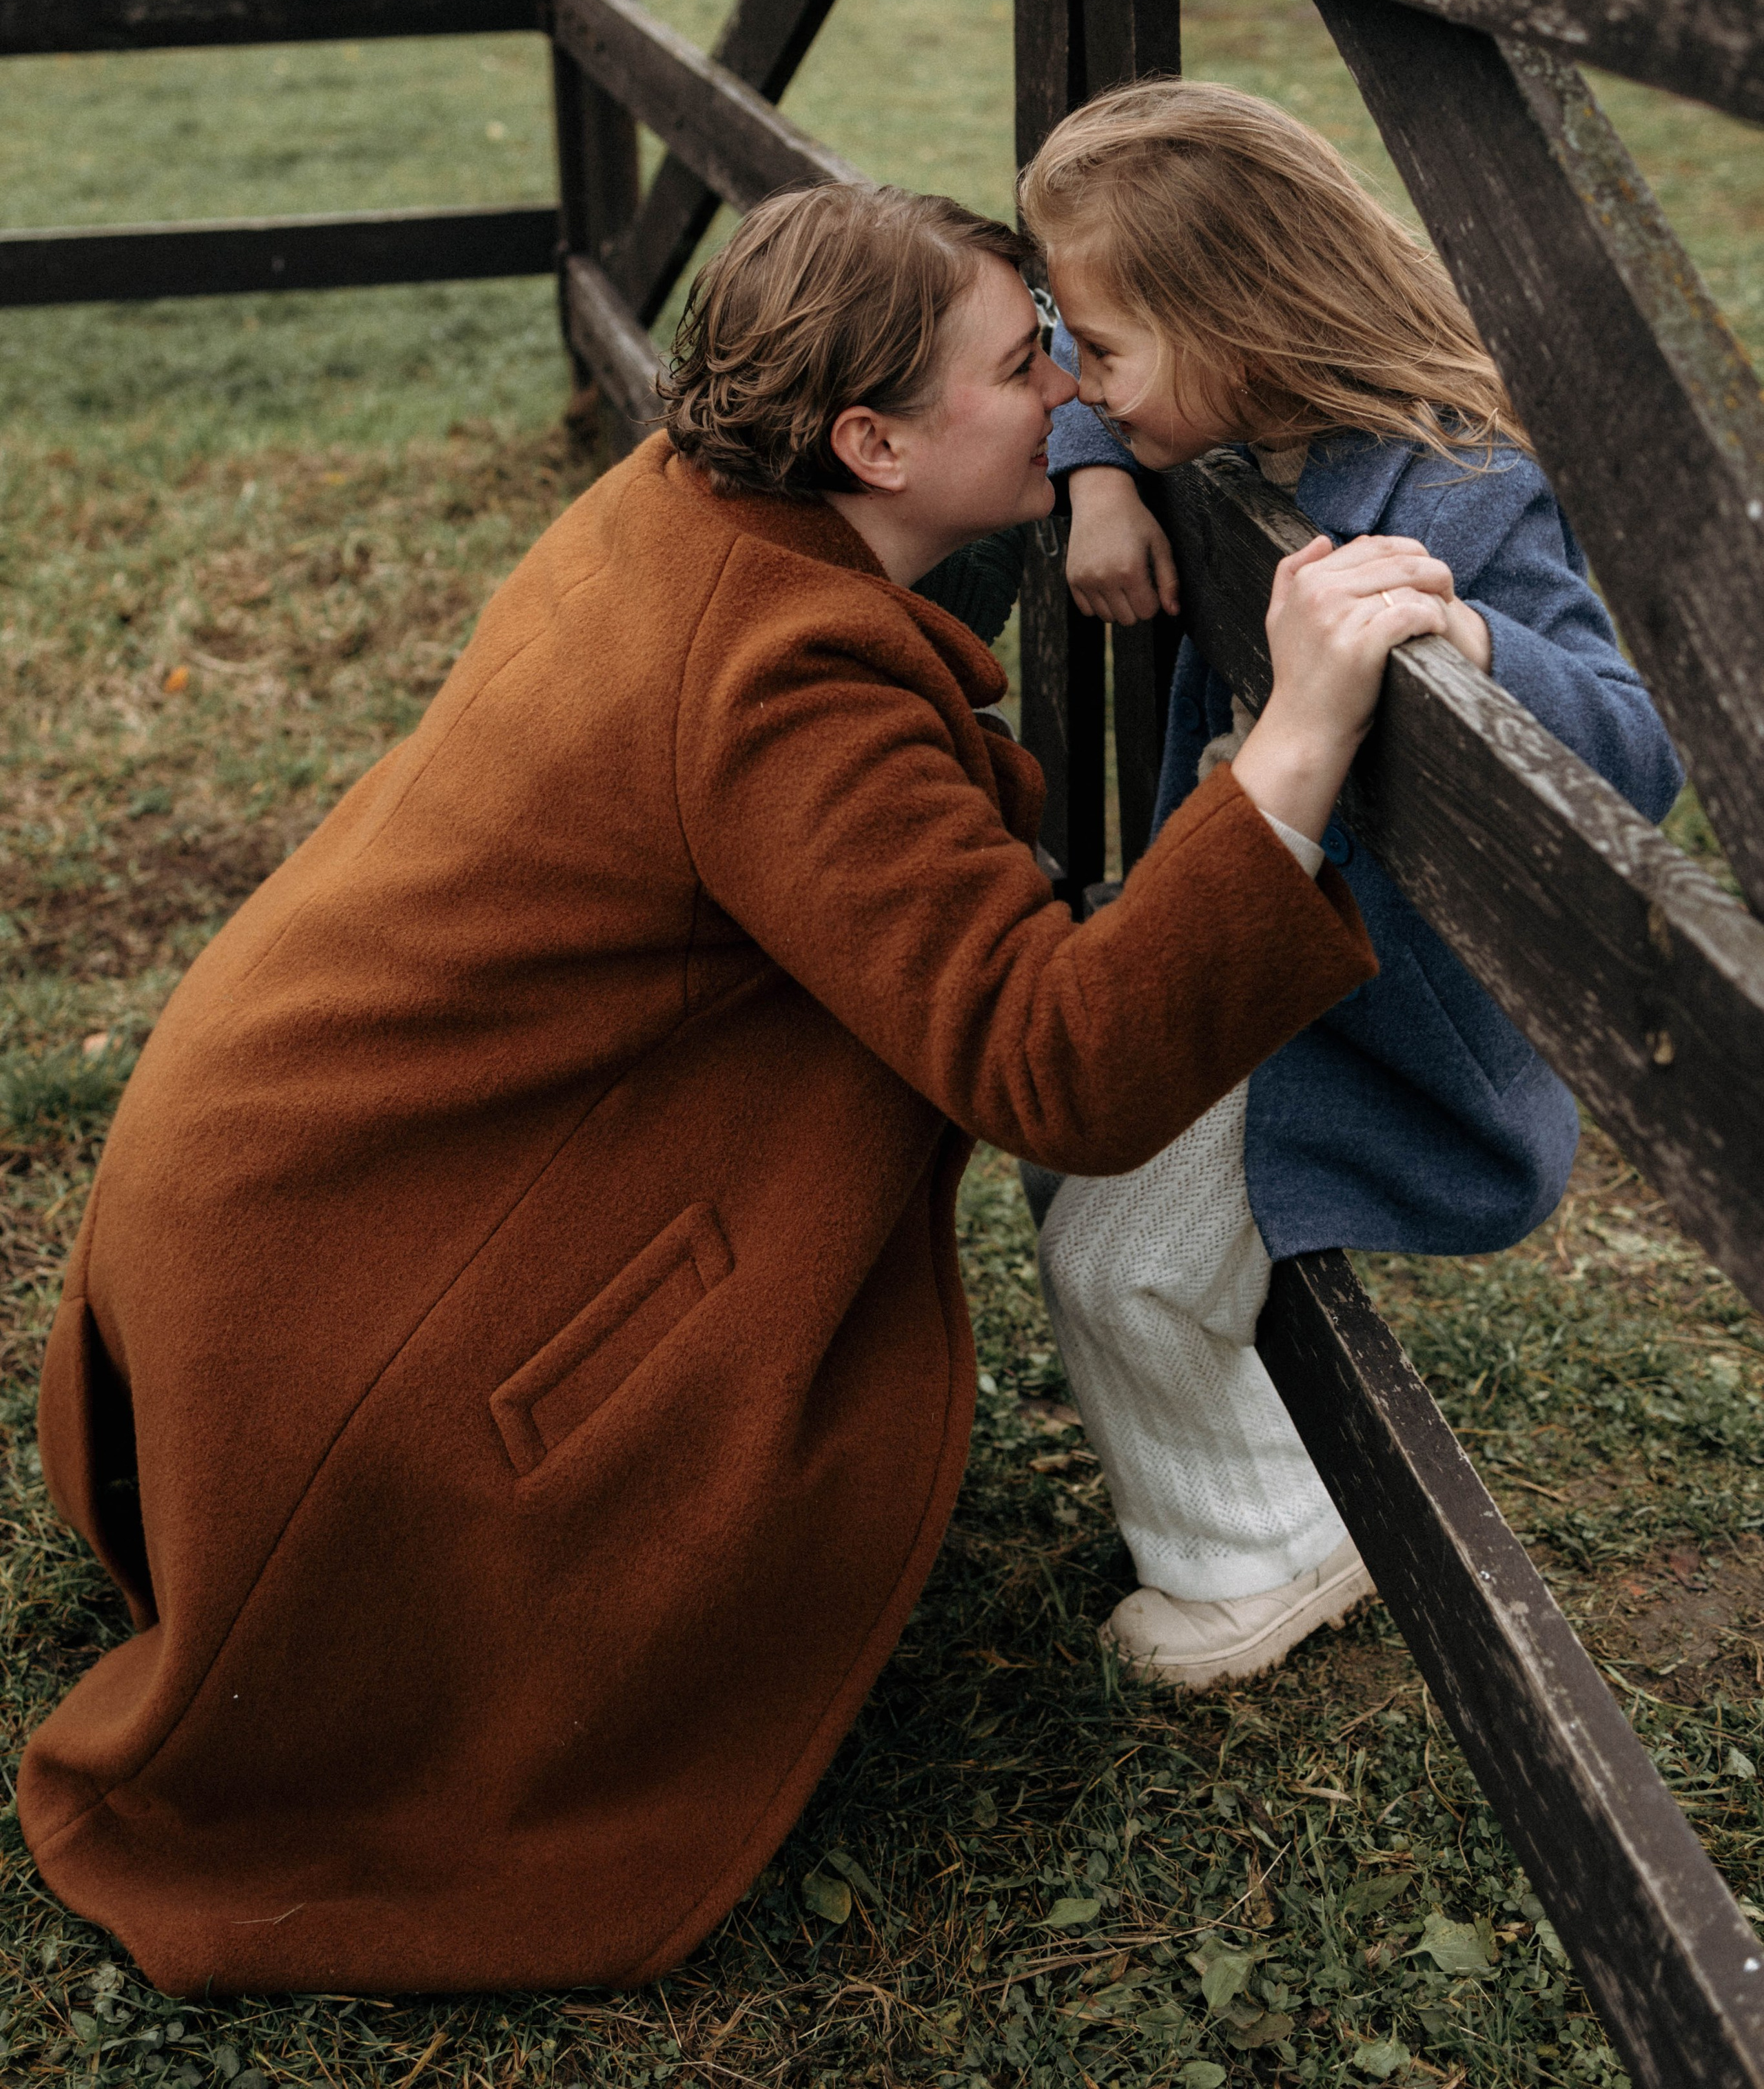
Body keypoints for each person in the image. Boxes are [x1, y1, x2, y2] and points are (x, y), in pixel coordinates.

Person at [23, 182, 1446, 1997]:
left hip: (261, 1215)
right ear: (873, 444)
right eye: (1023, 364)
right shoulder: (787, 674)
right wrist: (1295, 746)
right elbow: (1055, 1063)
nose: (1068, 389)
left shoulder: (686, 505)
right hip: (341, 1319)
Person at [1017, 80, 1682, 1692]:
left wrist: (1469, 644)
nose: (1068, 377)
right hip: (1247, 913)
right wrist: (1093, 466)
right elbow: (1081, 359)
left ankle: (1268, 1549)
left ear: (1234, 330)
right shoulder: (1217, 409)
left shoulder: (1459, 495)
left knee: (1121, 1255)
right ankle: (1256, 1446)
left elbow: (1633, 751)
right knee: (1073, 1143)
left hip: (1368, 1003)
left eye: (1096, 353)